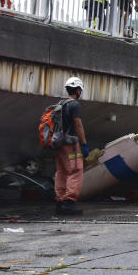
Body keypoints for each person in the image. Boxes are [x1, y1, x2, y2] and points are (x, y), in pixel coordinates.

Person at [54, 76, 88, 216]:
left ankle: (60, 202)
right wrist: (84, 143)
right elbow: (77, 124)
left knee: (61, 172)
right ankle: (69, 202)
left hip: (58, 143)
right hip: (70, 144)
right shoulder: (74, 104)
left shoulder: (60, 103)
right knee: (75, 170)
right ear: (78, 90)